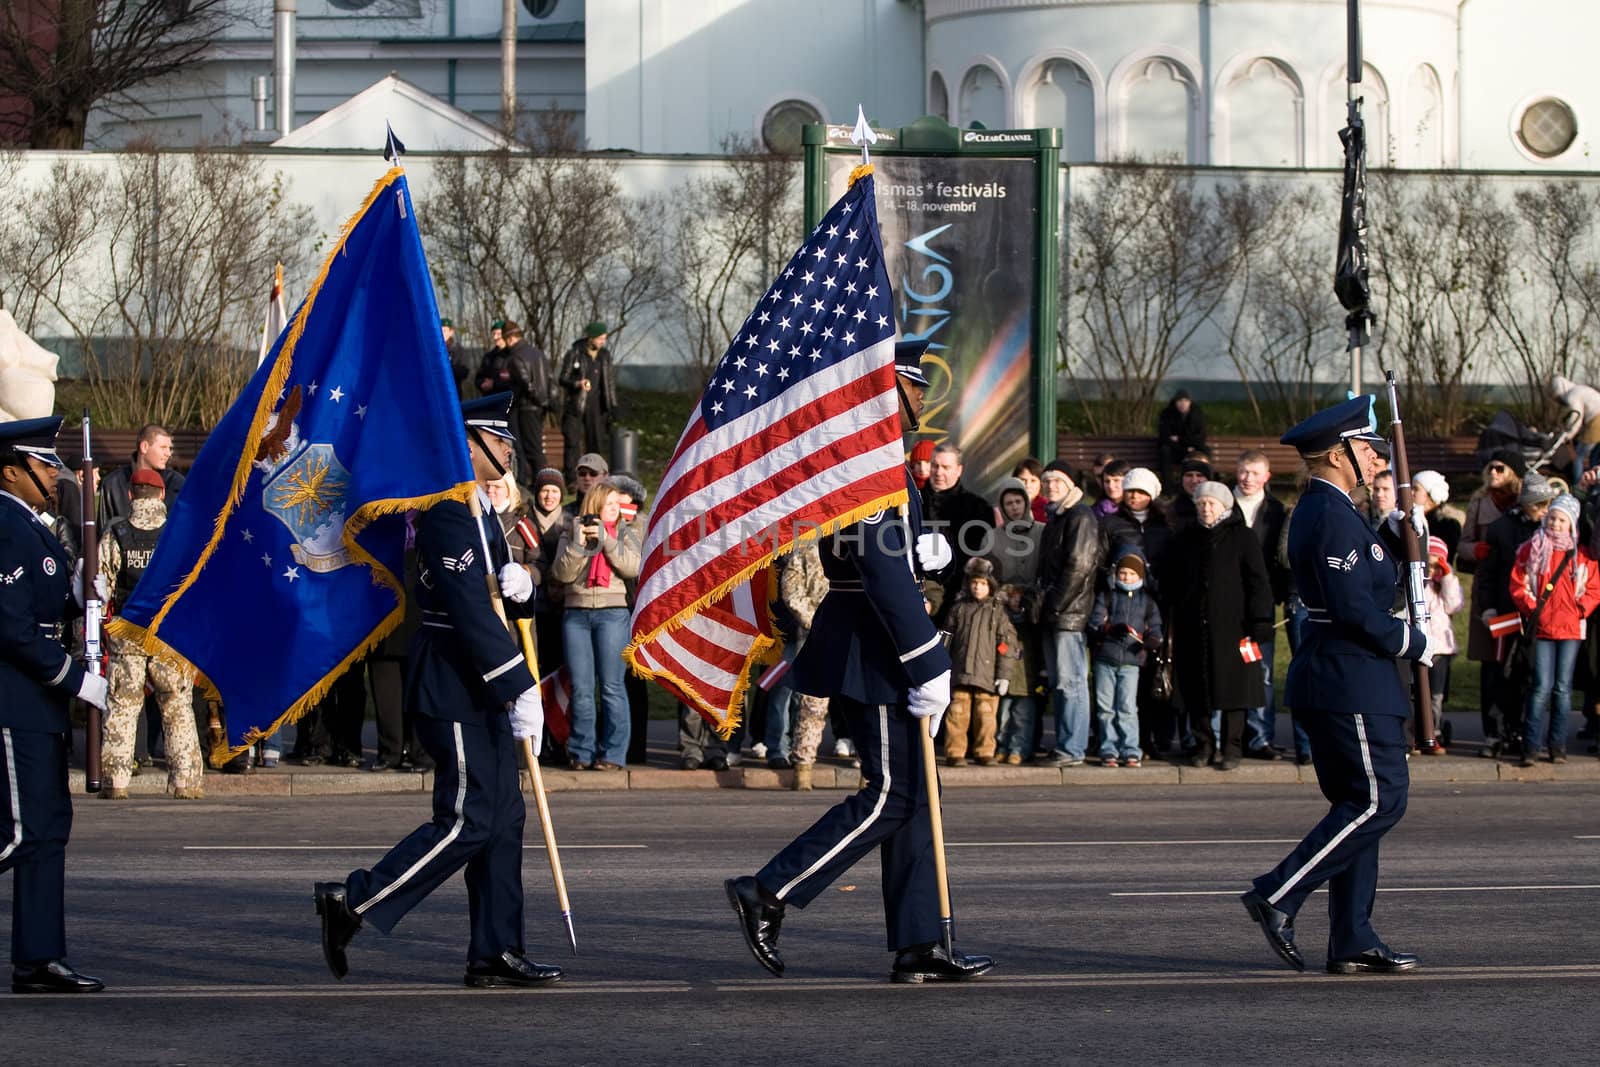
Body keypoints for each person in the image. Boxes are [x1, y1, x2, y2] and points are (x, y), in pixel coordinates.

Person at [724, 339, 994, 984]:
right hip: (871, 652)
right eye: (913, 385)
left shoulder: (886, 464)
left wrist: (921, 550)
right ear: (884, 389)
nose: (922, 397)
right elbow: (873, 567)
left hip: (881, 646)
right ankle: (769, 892)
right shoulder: (865, 463)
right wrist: (927, 658)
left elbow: (885, 555)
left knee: (916, 797)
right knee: (890, 796)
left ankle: (920, 941)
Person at [313, 393, 559, 989]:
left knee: (503, 820)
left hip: (480, 684)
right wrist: (518, 684)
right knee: (465, 821)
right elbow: (466, 607)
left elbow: (496, 599)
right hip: (455, 685)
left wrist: (525, 587)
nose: (506, 451)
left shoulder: (480, 512)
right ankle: (355, 900)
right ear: (467, 444)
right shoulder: (448, 512)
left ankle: (496, 949)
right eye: (497, 442)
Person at [1243, 395, 1433, 977]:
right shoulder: (1325, 514)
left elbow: (1373, 585)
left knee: (1358, 805)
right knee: (1379, 800)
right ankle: (1278, 893)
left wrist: (1400, 544)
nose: (1376, 457)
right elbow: (1353, 609)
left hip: (1353, 678)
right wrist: (1410, 642)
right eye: (1366, 448)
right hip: (1348, 677)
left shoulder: (1340, 513)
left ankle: (1351, 935)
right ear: (1339, 453)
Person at [0, 414, 108, 993]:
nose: (52, 476)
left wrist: (78, 596)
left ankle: (39, 956)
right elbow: (10, 628)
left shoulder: (31, 525)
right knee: (19, 832)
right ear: (10, 470)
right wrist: (73, 680)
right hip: (13, 701)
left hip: (35, 704)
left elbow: (42, 609)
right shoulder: (4, 523)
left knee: (47, 830)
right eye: (43, 466)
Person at [99, 468, 204, 800]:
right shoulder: (178, 535)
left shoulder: (115, 534)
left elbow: (101, 587)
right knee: (177, 706)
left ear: (130, 495)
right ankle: (184, 782)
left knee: (123, 705)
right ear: (161, 496)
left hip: (127, 630)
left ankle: (116, 781)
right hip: (167, 633)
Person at [1169, 481, 1273, 770]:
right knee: (1196, 689)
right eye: (1201, 503)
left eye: (1211, 503)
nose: (1206, 508)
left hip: (1235, 627)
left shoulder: (1243, 537)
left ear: (1225, 506)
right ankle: (1203, 745)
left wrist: (1260, 619)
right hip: (1194, 626)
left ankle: (1232, 748)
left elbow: (1257, 582)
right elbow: (1172, 580)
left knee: (1234, 690)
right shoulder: (1186, 538)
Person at [549, 479, 641, 770]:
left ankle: (613, 754)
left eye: (617, 505)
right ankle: (581, 751)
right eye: (610, 504)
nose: (616, 509)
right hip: (576, 614)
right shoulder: (571, 529)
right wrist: (579, 543)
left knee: (612, 686)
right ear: (596, 505)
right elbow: (561, 573)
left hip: (612, 613)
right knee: (582, 687)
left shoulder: (625, 531)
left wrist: (607, 540)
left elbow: (631, 566)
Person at [1509, 493, 1599, 766]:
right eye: (1553, 518)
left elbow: (1594, 589)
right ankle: (1532, 745)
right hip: (1543, 629)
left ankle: (1557, 745)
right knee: (1540, 687)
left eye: (1562, 520)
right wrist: (1533, 607)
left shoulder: (1581, 556)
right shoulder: (1531, 549)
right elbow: (1518, 582)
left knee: (1563, 688)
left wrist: (1579, 610)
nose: (1556, 524)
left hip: (1571, 630)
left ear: (1571, 524)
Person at [1478, 474, 1558, 758]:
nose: (1544, 512)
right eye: (1539, 506)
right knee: (1497, 674)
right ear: (1526, 505)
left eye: (1547, 505)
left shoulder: (1550, 530)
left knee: (1528, 675)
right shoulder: (1501, 528)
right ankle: (1495, 732)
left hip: (1536, 616)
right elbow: (1487, 573)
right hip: (1505, 611)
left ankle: (1520, 729)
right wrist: (1487, 607)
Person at [1035, 462, 1103, 766]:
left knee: (1071, 682)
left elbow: (1080, 565)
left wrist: (1054, 603)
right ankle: (1065, 743)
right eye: (1047, 482)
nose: (1051, 487)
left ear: (1071, 485)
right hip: (1055, 612)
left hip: (1069, 614)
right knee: (1060, 682)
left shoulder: (1079, 516)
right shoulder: (1057, 517)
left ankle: (1072, 748)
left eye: (1057, 481)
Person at [1458, 449, 1525, 754]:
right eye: (1490, 468)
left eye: (1499, 467)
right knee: (1491, 665)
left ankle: (1517, 729)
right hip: (1489, 591)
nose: (1493, 472)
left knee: (1521, 666)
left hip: (1522, 594)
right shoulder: (1479, 501)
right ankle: (1492, 732)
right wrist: (1478, 551)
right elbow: (1464, 544)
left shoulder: (1526, 502)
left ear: (1513, 471)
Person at [1233, 449, 1290, 760]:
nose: (1248, 478)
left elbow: (1281, 560)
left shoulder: (1275, 512)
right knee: (1230, 668)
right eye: (1243, 471)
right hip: (1227, 604)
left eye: (1255, 473)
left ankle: (1259, 736)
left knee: (1262, 670)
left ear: (1267, 476)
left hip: (1261, 607)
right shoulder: (1223, 506)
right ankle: (1230, 736)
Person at [1087, 546, 1161, 768]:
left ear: (1140, 575)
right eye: (1123, 573)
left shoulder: (1147, 601)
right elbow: (1094, 623)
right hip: (1106, 659)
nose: (1126, 577)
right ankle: (1108, 748)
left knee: (1127, 707)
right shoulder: (1107, 595)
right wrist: (1110, 629)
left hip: (1132, 660)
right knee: (1105, 707)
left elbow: (1155, 626)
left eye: (1131, 574)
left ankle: (1131, 749)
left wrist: (1153, 640)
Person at [941, 558, 1017, 767]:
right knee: (957, 714)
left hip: (987, 675)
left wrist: (1004, 675)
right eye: (975, 582)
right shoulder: (958, 608)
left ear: (990, 586)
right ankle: (955, 752)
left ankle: (985, 751)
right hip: (960, 672)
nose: (978, 587)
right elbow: (946, 638)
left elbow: (1006, 644)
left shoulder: (998, 612)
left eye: (983, 583)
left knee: (986, 716)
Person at [921, 443, 996, 623]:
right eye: (935, 466)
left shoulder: (978, 509)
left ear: (959, 470)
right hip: (919, 598)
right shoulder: (912, 502)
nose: (939, 472)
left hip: (960, 602)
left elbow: (984, 558)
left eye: (946, 467)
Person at [778, 539, 832, 789]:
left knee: (861, 705)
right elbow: (791, 589)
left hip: (854, 635)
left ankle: (869, 769)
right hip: (816, 636)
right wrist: (815, 621)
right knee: (811, 705)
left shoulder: (857, 545)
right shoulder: (807, 548)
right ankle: (803, 768)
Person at [475, 321, 550, 485]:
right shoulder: (537, 353)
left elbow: (524, 383)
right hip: (537, 406)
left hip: (524, 406)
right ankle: (542, 482)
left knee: (527, 449)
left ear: (509, 338)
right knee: (535, 449)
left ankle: (537, 483)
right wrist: (544, 402)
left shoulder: (516, 356)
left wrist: (526, 397)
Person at [558, 322, 618, 479]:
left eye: (604, 339)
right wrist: (577, 383)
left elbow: (609, 382)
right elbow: (563, 378)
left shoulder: (605, 356)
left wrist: (612, 405)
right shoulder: (574, 353)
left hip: (597, 406)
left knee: (595, 443)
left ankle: (595, 475)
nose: (602, 342)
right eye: (599, 339)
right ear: (590, 338)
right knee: (572, 443)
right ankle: (571, 478)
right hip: (576, 404)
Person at [97, 424, 186, 528]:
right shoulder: (113, 484)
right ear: (144, 447)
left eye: (169, 448)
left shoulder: (176, 483)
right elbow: (103, 532)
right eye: (163, 448)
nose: (168, 453)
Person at [1421, 535, 1464, 744]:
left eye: (1436, 565)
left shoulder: (1445, 586)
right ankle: (1418, 729)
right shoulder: (1420, 584)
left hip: (1441, 649)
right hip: (1422, 646)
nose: (1432, 570)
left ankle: (1435, 729)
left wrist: (1446, 577)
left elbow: (1454, 605)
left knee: (1436, 695)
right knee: (1418, 692)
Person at [1156, 389, 1206, 486]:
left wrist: (1180, 439)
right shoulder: (1167, 414)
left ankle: (1205, 485)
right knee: (1165, 451)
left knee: (1205, 452)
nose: (1183, 404)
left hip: (1193, 450)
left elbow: (1200, 438)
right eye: (1180, 401)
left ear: (1190, 402)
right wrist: (1186, 448)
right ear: (1175, 402)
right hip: (1175, 451)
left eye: (1185, 401)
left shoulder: (1197, 415)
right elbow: (1165, 438)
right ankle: (1167, 489)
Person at [1411, 470, 1460, 561]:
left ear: (1431, 493)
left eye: (1416, 489)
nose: (1411, 493)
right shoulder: (1410, 518)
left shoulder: (1447, 525)